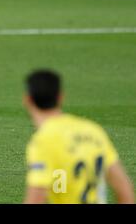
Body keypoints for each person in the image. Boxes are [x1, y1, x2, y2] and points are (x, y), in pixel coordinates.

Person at [23, 69, 134, 203]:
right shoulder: (93, 131)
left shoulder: (43, 141)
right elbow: (124, 188)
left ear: (28, 100)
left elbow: (36, 198)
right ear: (60, 97)